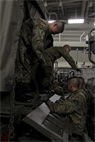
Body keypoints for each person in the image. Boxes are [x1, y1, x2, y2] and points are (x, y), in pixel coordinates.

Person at [15, 18, 64, 102]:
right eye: (56, 32)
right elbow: (37, 45)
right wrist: (42, 60)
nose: (55, 34)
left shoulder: (45, 32)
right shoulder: (41, 25)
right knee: (20, 67)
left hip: (27, 47)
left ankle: (25, 91)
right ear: (54, 25)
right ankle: (19, 92)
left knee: (27, 69)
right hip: (21, 43)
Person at [45, 76, 87, 142]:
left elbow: (61, 109)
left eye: (67, 85)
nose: (67, 86)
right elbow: (67, 104)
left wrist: (48, 102)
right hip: (75, 126)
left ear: (71, 85)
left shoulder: (77, 97)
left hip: (75, 130)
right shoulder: (78, 94)